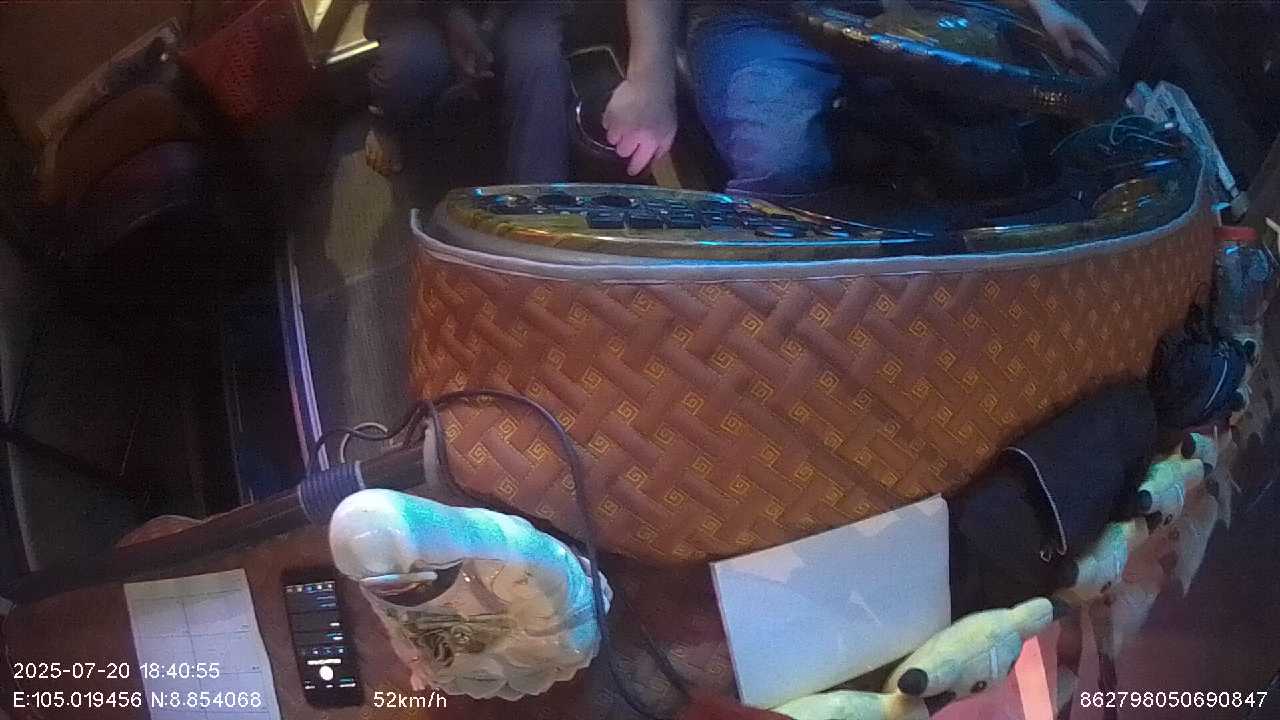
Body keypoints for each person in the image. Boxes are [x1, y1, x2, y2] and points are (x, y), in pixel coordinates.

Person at [604, 0, 1113, 200]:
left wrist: (1042, 8)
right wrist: (649, 81)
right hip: (754, 18)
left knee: (992, 150)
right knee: (785, 167)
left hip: (885, 18)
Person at [363, 1, 573, 182]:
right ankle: (386, 118)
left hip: (521, 8)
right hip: (418, 11)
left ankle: (537, 204)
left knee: (537, 62)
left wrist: (489, 25)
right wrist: (449, 13)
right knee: (411, 64)